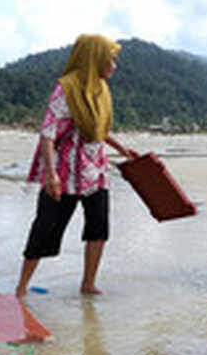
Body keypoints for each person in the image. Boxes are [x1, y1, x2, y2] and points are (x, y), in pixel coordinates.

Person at [15, 34, 137, 297]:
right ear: (94, 60)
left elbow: (98, 129)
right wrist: (50, 175)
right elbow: (47, 134)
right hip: (65, 173)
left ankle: (88, 283)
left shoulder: (101, 90)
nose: (114, 65)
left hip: (96, 172)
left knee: (98, 229)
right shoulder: (66, 89)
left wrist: (121, 149)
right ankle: (22, 287)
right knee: (45, 228)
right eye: (110, 59)